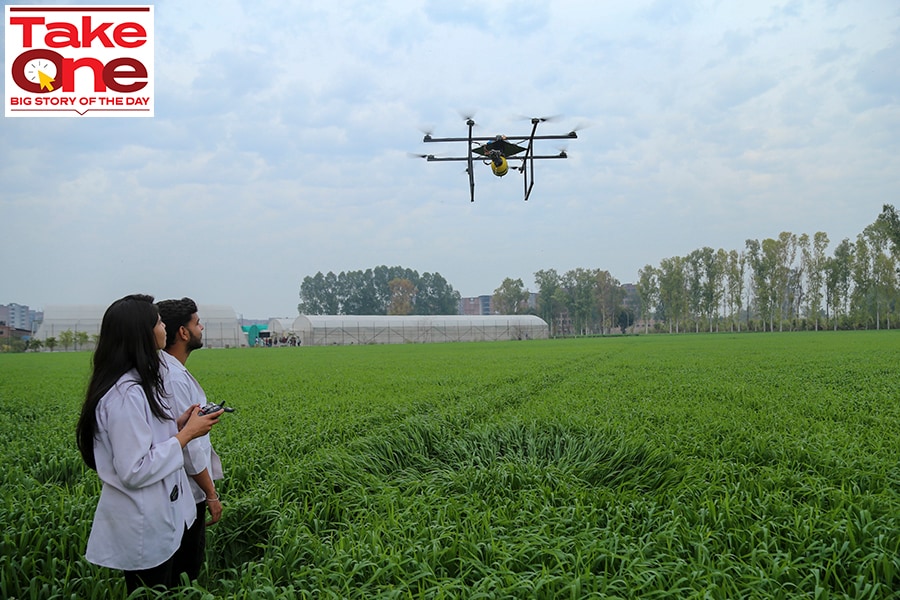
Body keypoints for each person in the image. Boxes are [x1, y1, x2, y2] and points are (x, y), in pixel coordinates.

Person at [76, 294, 223, 593]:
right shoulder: (125, 394)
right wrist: (185, 436)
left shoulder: (137, 383)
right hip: (144, 525)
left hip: (159, 516)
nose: (163, 327)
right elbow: (134, 469)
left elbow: (148, 441)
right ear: (141, 333)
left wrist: (179, 426)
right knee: (152, 590)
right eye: (158, 322)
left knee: (167, 586)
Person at [156, 297, 224, 582]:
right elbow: (190, 448)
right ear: (183, 333)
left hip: (176, 488)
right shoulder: (174, 377)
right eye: (197, 323)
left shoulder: (169, 370)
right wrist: (210, 494)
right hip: (186, 491)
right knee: (186, 571)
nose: (202, 327)